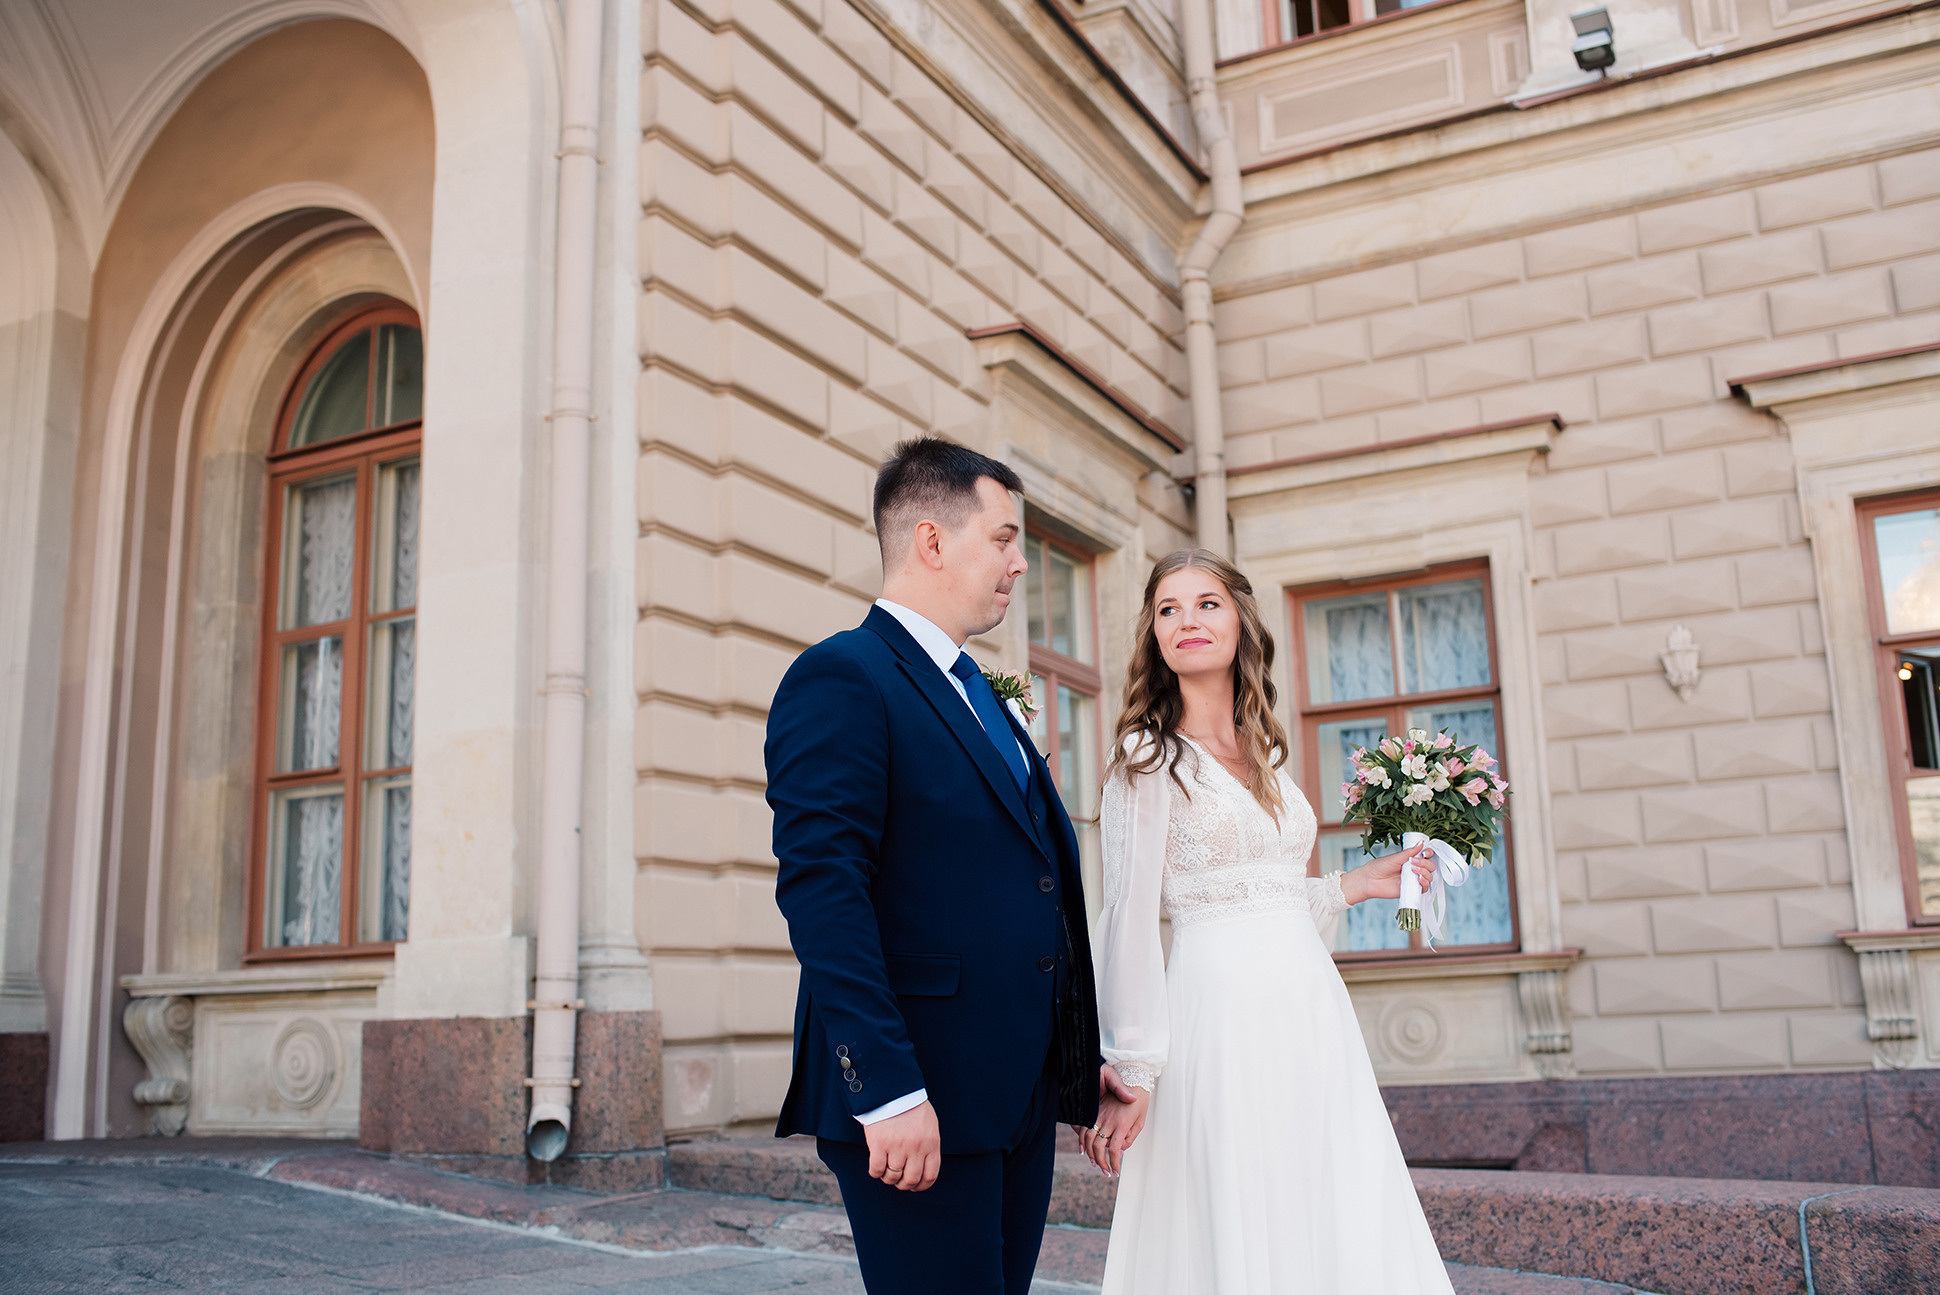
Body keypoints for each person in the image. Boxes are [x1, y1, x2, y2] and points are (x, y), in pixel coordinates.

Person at [765, 437, 1131, 1295]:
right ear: (931, 540)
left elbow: (1021, 886)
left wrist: (1076, 1058)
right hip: (918, 1098)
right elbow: (824, 889)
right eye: (1003, 539)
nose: (1018, 563)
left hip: (1013, 1098)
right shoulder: (843, 676)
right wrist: (887, 1091)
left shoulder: (978, 691)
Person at [1084, 547, 1455, 1294]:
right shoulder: (1146, 757)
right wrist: (1133, 1065)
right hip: (1216, 1021)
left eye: (1207, 603)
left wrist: (1355, 885)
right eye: (1168, 609)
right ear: (1154, 635)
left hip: (1311, 1014)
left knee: (1327, 1201)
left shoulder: (1268, 758)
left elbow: (1270, 898)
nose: (1186, 620)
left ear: (1240, 621)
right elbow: (1129, 917)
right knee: (1235, 1208)